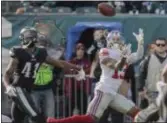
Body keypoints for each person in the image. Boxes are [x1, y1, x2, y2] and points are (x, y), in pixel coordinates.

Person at [3, 27, 81, 123]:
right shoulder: (18, 52)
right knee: (35, 116)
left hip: (27, 90)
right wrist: (8, 87)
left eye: (27, 37)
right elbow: (7, 74)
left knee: (18, 119)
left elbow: (59, 63)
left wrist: (78, 68)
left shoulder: (40, 53)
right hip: (18, 89)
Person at [47, 47, 140, 123]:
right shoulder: (105, 53)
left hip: (114, 93)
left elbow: (137, 56)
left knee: (137, 113)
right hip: (104, 91)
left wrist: (140, 45)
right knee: (90, 119)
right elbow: (116, 66)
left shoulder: (122, 58)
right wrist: (123, 57)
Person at [138, 37, 167, 105]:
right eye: (158, 44)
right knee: (152, 114)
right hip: (151, 93)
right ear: (155, 46)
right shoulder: (148, 59)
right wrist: (140, 89)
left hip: (166, 93)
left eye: (163, 45)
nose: (160, 46)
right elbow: (142, 75)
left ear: (166, 46)